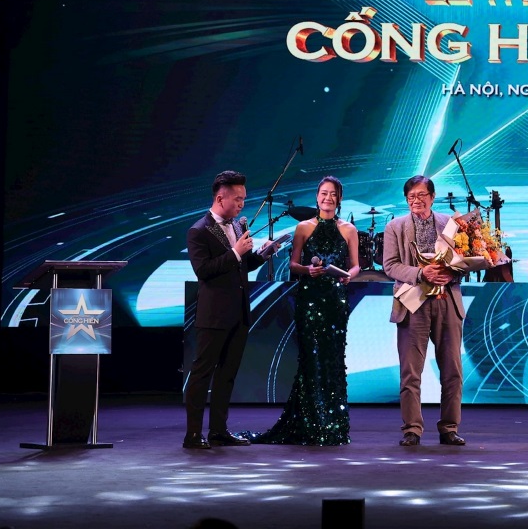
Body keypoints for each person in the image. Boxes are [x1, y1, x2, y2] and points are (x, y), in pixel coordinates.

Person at [245, 176, 361, 445]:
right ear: (317, 196)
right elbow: (293, 264)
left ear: (340, 199)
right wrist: (308, 270)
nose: (328, 198)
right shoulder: (303, 227)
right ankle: (310, 421)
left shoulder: (349, 229)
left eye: (333, 194)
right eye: (324, 193)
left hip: (335, 300)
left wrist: (349, 275)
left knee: (333, 360)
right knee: (311, 359)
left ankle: (332, 424)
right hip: (310, 299)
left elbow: (355, 265)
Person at [183, 170, 279, 450]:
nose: (241, 204)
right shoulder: (198, 231)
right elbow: (204, 271)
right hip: (213, 315)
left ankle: (219, 431)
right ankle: (192, 434)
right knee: (202, 374)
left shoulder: (237, 227)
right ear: (220, 198)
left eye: (243, 199)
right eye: (237, 199)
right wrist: (236, 252)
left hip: (238, 313)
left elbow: (241, 266)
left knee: (227, 374)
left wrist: (262, 255)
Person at [381, 174, 465, 446]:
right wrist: (420, 273)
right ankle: (412, 429)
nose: (416, 200)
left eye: (421, 195)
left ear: (432, 197)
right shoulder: (395, 226)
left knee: (452, 370)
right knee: (410, 371)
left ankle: (449, 428)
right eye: (411, 196)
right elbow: (390, 265)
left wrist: (451, 274)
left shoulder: (450, 224)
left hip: (447, 301)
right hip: (412, 303)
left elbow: (466, 260)